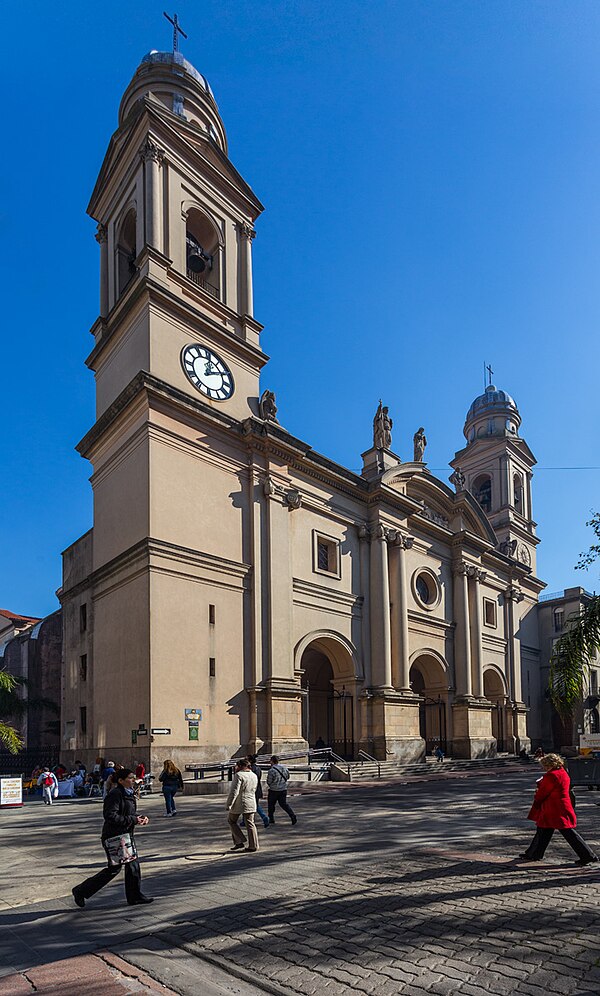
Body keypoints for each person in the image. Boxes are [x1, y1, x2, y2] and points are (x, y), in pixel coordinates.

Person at [71, 768, 152, 908]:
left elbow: (127, 813)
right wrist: (133, 819)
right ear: (121, 781)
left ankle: (135, 896)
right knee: (114, 869)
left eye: (134, 777)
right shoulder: (115, 794)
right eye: (130, 778)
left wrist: (139, 818)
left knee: (132, 866)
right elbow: (110, 816)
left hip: (125, 835)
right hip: (115, 836)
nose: (133, 780)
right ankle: (81, 890)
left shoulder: (128, 793)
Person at [520, 753, 599, 866]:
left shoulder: (551, 776)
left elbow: (542, 793)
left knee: (567, 833)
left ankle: (588, 855)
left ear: (549, 765)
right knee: (544, 831)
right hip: (561, 806)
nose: (544, 768)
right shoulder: (563, 772)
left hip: (553, 808)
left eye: (545, 766)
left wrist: (537, 792)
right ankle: (534, 853)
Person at [226, 759, 259, 852]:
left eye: (237, 766)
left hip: (239, 802)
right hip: (251, 801)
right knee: (250, 823)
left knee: (231, 820)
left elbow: (234, 791)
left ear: (240, 766)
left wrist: (229, 804)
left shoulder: (239, 775)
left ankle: (239, 840)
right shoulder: (254, 775)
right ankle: (253, 845)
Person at [266, 756, 297, 826]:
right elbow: (288, 776)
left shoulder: (271, 770)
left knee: (271, 805)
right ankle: (292, 815)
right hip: (283, 789)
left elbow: (269, 781)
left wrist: (272, 784)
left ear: (272, 761)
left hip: (274, 790)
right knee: (284, 804)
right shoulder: (284, 768)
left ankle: (271, 818)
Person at [247, 754, 269, 829]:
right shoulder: (258, 768)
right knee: (253, 805)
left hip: (252, 789)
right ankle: (245, 820)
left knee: (252, 805)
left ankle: (264, 817)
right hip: (257, 789)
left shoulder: (250, 769)